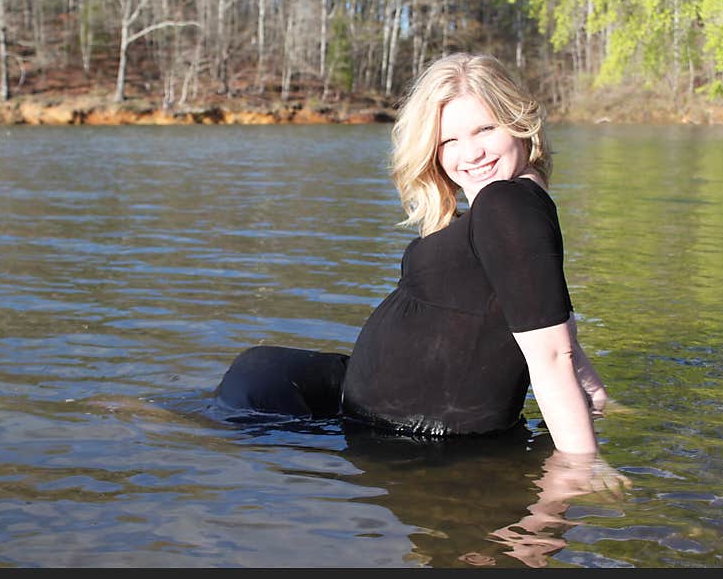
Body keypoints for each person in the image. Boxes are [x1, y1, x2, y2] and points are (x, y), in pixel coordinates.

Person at [216, 52, 608, 455]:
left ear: (520, 123)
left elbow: (551, 351)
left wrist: (582, 470)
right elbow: (545, 315)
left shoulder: (506, 203)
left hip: (386, 431)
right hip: (332, 401)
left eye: (485, 129)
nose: (470, 154)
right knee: (224, 399)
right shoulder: (519, 201)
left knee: (204, 427)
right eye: (448, 141)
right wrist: (595, 392)